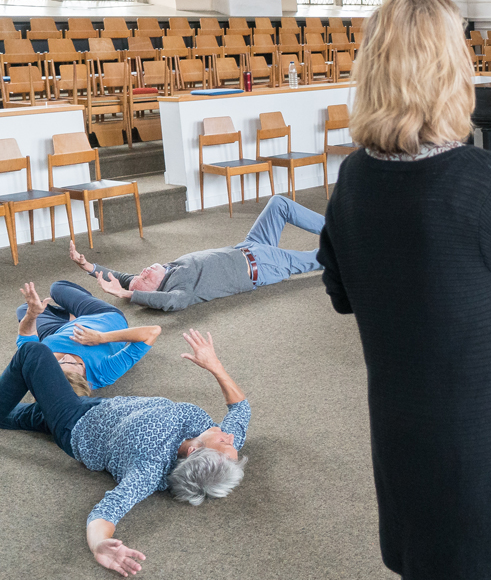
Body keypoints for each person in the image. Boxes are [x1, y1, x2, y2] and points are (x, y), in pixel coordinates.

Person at [317, 0, 491, 580]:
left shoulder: (353, 180)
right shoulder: (481, 179)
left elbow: (342, 294)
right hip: (484, 433)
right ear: (449, 71)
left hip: (401, 425)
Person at [0, 328, 249, 574]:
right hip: (96, 405)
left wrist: (99, 544)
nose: (229, 436)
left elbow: (107, 511)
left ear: (194, 451)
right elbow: (240, 410)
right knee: (11, 416)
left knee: (33, 353)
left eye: (225, 442)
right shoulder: (219, 450)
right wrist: (214, 365)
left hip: (73, 424)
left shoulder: (150, 470)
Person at [69, 194, 324, 312]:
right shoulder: (180, 291)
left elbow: (121, 277)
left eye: (141, 274)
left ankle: (338, 227)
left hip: (250, 245)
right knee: (323, 258)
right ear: (157, 290)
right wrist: (130, 294)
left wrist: (90, 267)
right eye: (145, 279)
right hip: (264, 266)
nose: (143, 271)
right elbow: (171, 303)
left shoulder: (165, 272)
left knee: (278, 203)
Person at [15, 280, 162, 396]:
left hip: (56, 333)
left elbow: (26, 335)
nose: (66, 357)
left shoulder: (38, 366)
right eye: (73, 363)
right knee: (58, 287)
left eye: (59, 362)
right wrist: (101, 337)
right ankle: (72, 314)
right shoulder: (103, 372)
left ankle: (68, 317)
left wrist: (32, 315)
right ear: (86, 381)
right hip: (104, 317)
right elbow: (152, 332)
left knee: (25, 310)